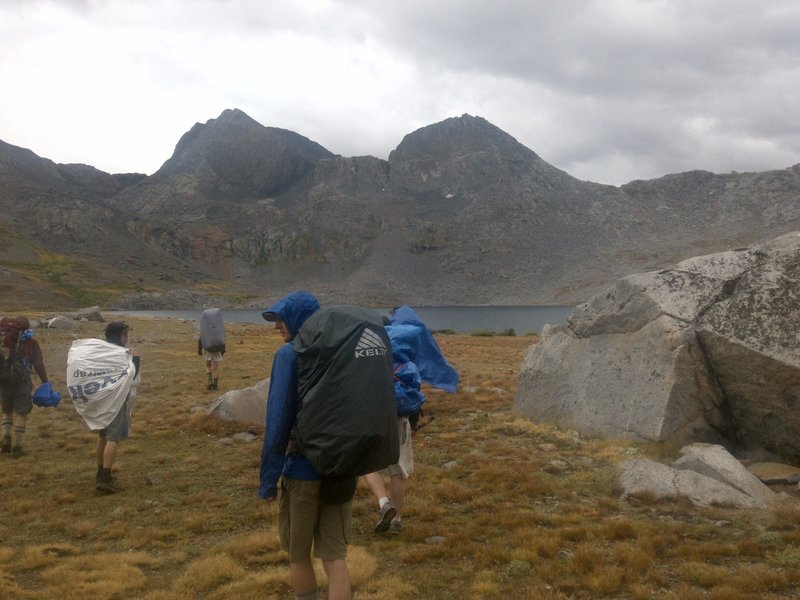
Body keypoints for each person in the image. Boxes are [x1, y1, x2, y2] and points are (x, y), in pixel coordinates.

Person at [258, 291, 352, 600]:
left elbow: (278, 421)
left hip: (301, 472)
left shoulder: (289, 355)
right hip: (339, 469)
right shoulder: (341, 350)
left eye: (281, 319)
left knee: (298, 555)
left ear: (297, 320)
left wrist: (268, 480)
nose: (276, 327)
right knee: (335, 557)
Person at [365, 306, 459, 535]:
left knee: (367, 464)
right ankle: (397, 518)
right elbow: (415, 395)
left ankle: (382, 502)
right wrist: (414, 424)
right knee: (398, 471)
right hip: (401, 419)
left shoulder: (366, 356)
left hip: (373, 417)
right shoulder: (406, 363)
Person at [95, 321, 140, 493]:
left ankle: (100, 473)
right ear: (116, 336)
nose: (127, 338)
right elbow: (132, 375)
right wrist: (135, 358)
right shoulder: (120, 354)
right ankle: (105, 478)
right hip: (116, 401)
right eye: (124, 335)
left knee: (102, 437)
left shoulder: (99, 352)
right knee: (113, 438)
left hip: (100, 401)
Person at [0, 316, 49, 458]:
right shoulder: (31, 343)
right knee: (21, 413)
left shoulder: (3, 341)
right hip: (22, 382)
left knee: (7, 411)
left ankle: (6, 437)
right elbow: (38, 364)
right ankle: (17, 446)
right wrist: (45, 381)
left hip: (2, 381)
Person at [198, 308, 225, 391]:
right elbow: (222, 339)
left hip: (208, 350)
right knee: (216, 369)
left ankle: (210, 383)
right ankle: (215, 386)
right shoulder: (218, 328)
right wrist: (222, 352)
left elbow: (200, 339)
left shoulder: (205, 329)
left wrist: (199, 350)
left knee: (208, 366)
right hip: (217, 350)